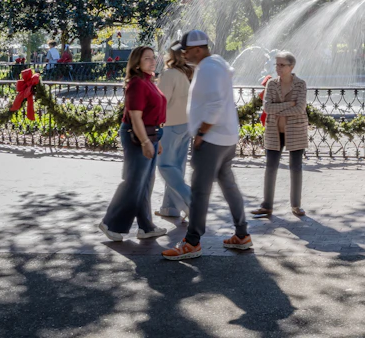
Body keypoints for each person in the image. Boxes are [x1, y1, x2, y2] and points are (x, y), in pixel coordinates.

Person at [162, 30, 252, 259]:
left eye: (187, 51)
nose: (183, 55)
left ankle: (192, 242)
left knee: (200, 191)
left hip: (212, 139)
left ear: (198, 49)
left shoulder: (209, 68)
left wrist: (202, 131)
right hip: (226, 137)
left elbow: (216, 102)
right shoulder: (216, 64)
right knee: (228, 186)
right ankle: (242, 235)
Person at [99, 46, 168, 241]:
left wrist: (156, 140)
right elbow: (135, 117)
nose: (152, 61)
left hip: (151, 134)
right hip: (137, 135)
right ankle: (110, 223)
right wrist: (146, 142)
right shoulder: (137, 83)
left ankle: (146, 227)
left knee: (145, 183)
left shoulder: (149, 81)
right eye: (147, 58)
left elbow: (151, 114)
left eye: (153, 58)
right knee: (133, 183)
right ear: (136, 62)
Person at [252, 51, 309, 219]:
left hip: (295, 130)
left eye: (282, 65)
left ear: (291, 67)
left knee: (296, 168)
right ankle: (266, 206)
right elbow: (267, 108)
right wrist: (288, 104)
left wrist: (281, 107)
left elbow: (300, 108)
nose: (278, 68)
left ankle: (296, 205)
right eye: (277, 64)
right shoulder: (271, 84)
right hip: (273, 131)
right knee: (270, 168)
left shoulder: (300, 84)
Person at [155, 46, 193, 222]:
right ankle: (170, 208)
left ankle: (190, 201)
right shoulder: (187, 73)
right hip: (185, 124)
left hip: (170, 125)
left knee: (165, 167)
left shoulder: (169, 74)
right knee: (177, 166)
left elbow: (161, 101)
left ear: (171, 55)